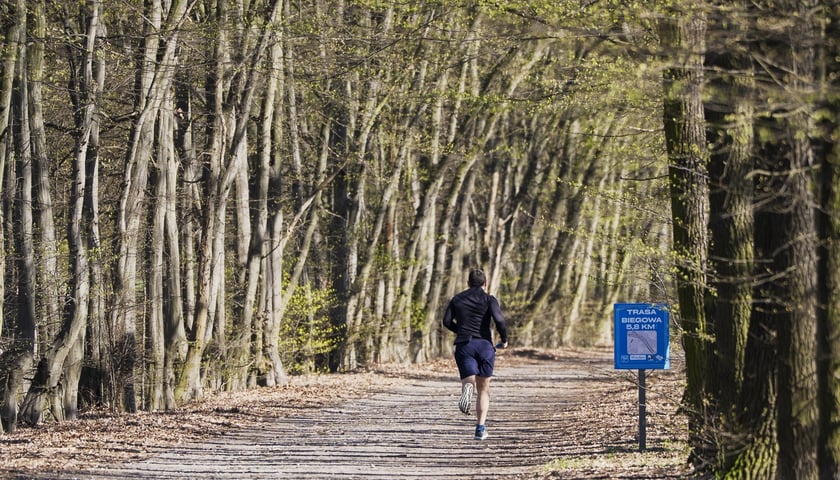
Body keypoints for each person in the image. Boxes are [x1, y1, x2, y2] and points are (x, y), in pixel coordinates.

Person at [442, 268, 508, 441]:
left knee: (468, 381)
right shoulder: (489, 299)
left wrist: (461, 331)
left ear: (468, 283)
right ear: (485, 283)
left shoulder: (457, 299)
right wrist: (505, 339)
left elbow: (446, 321)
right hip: (485, 345)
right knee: (484, 388)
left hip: (465, 345)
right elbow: (499, 320)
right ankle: (480, 428)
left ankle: (466, 389)